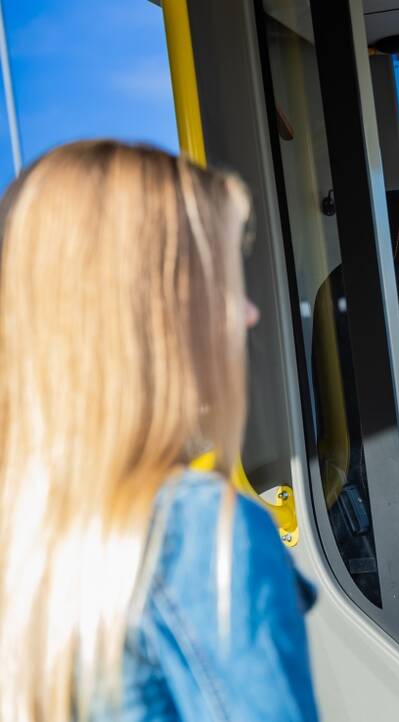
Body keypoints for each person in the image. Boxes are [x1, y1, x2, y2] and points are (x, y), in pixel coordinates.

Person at [0, 142, 318, 721]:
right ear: (151, 310)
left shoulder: (27, 519)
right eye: (220, 279)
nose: (248, 312)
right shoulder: (199, 532)